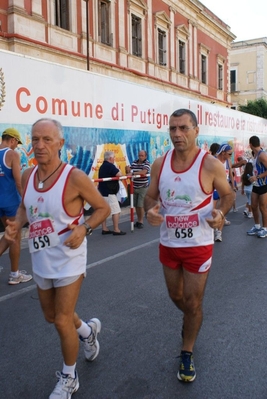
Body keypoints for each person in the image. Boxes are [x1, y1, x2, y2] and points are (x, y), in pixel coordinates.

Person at [4, 118, 111, 399]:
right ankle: (87, 332)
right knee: (52, 316)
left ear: (60, 144)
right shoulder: (27, 176)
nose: (39, 145)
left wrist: (84, 227)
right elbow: (27, 210)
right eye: (35, 139)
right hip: (41, 258)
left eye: (47, 140)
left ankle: (69, 376)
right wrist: (16, 224)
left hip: (69, 257)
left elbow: (102, 208)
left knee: (62, 319)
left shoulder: (74, 177)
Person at [144, 109, 234, 383]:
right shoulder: (160, 164)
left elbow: (228, 194)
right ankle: (192, 320)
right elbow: (149, 197)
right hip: (169, 243)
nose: (177, 134)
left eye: (183, 128)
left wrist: (221, 213)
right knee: (177, 297)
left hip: (198, 244)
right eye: (172, 129)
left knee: (193, 302)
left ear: (196, 130)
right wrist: (150, 210)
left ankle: (187, 350)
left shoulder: (209, 165)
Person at [0, 127, 32, 285]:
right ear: (12, 140)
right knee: (14, 237)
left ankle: (15, 273)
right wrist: (27, 199)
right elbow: (18, 181)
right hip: (11, 201)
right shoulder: (12, 154)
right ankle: (14, 274)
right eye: (16, 143)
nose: (16, 146)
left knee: (8, 234)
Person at [98, 151, 126, 235]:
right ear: (110, 158)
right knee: (116, 211)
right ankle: (116, 229)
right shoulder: (110, 166)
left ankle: (104, 228)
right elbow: (119, 174)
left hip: (102, 192)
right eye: (114, 157)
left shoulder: (102, 166)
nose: (114, 159)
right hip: (109, 192)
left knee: (104, 211)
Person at [213, 144, 236, 241]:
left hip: (224, 190)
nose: (230, 155)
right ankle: (213, 228)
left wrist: (233, 186)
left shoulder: (228, 161)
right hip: (213, 190)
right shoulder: (213, 160)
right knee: (212, 212)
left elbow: (230, 174)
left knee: (221, 212)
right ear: (223, 153)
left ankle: (219, 233)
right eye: (230, 154)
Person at [247, 136, 267, 238]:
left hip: (264, 185)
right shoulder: (255, 155)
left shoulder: (262, 155)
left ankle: (265, 229)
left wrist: (257, 177)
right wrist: (253, 177)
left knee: (263, 208)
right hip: (256, 185)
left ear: (251, 144)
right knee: (254, 206)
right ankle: (257, 226)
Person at [125, 150, 151, 228]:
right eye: (139, 155)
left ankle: (141, 221)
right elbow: (129, 171)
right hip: (134, 186)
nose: (140, 157)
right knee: (136, 205)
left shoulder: (147, 163)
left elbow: (143, 172)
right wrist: (127, 169)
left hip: (143, 187)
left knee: (140, 205)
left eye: (142, 155)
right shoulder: (134, 162)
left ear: (145, 156)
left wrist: (133, 173)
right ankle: (139, 219)